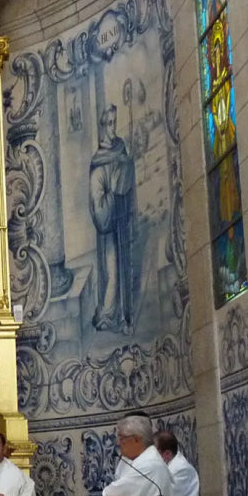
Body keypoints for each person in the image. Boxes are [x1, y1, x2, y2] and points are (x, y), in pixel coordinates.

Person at [88, 103, 137, 335]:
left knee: (125, 266)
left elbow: (128, 182)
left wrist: (127, 169)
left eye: (114, 123)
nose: (112, 128)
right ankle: (108, 314)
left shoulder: (120, 148)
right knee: (112, 269)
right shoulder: (98, 162)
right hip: (109, 226)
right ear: (101, 127)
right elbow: (97, 204)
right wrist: (113, 189)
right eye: (108, 124)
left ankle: (125, 316)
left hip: (123, 218)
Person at [102, 412, 173, 496]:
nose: (118, 443)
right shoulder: (138, 460)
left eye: (122, 438)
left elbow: (110, 494)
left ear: (136, 439)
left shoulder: (149, 465)